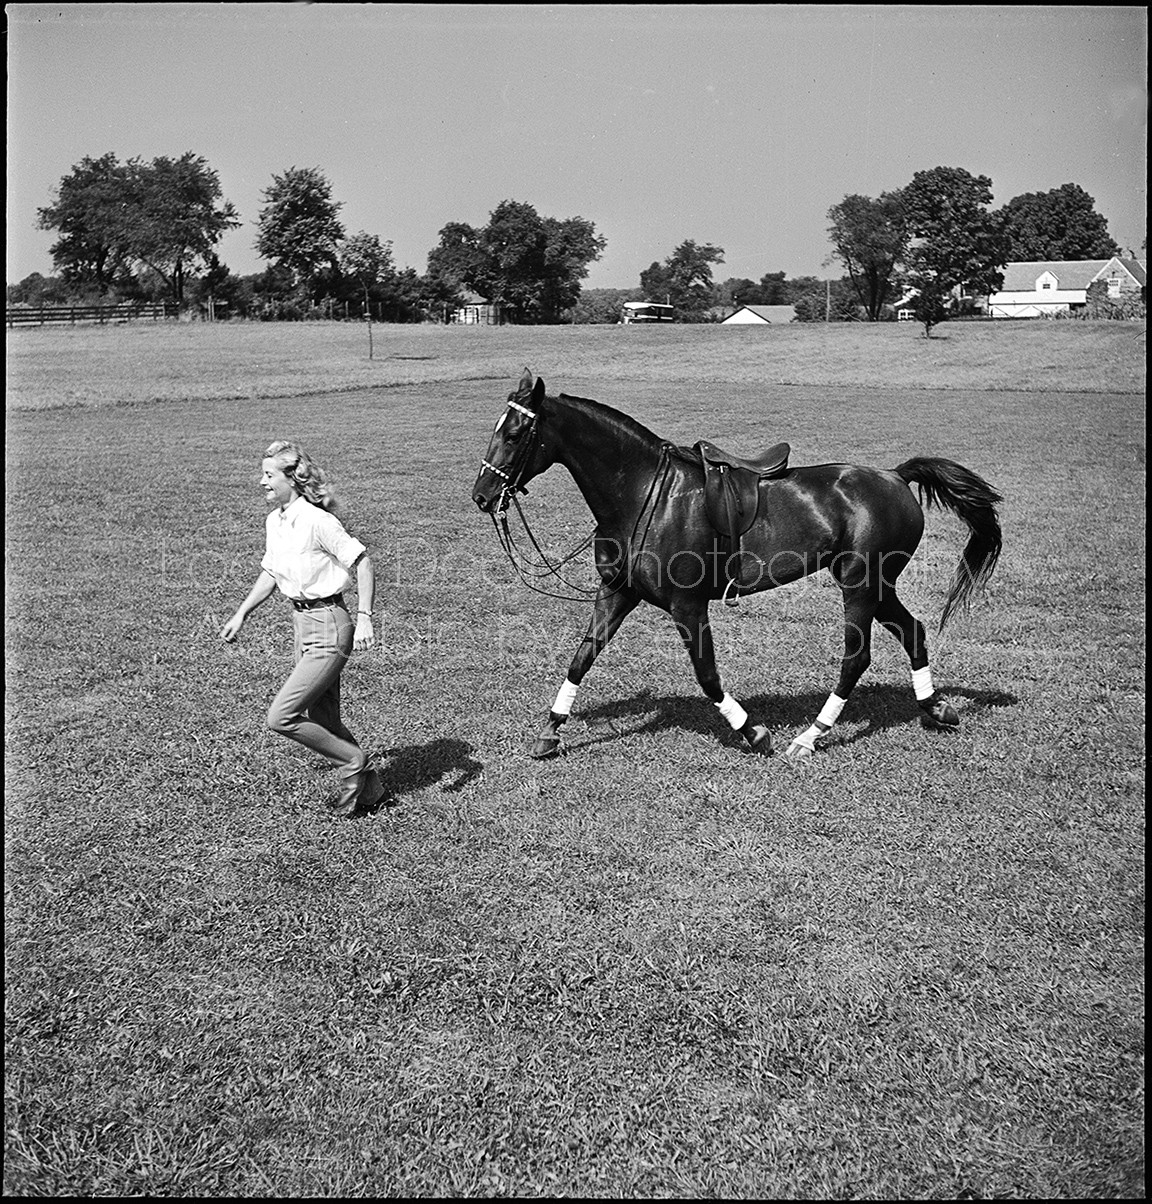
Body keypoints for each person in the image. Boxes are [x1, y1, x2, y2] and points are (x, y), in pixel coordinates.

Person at [220, 440, 383, 817]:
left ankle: (353, 763)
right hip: (302, 623)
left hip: (330, 625)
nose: (261, 482)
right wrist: (242, 613)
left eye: (268, 474)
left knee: (282, 716)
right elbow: (271, 572)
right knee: (324, 719)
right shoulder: (275, 520)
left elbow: (362, 562)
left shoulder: (318, 521)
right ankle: (372, 792)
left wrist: (364, 618)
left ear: (291, 478)